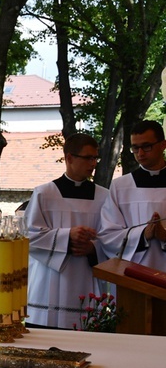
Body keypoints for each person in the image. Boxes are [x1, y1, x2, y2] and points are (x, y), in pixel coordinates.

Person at [25, 133, 109, 329]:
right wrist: (67, 235)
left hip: (86, 277)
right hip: (48, 285)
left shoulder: (104, 196)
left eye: (95, 157)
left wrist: (92, 248)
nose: (93, 163)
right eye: (88, 157)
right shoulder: (44, 193)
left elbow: (112, 237)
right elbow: (29, 236)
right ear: (69, 158)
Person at [100, 120, 166, 267]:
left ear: (163, 145)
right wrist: (143, 235)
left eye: (146, 146)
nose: (140, 153)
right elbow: (108, 235)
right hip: (133, 272)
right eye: (135, 148)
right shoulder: (120, 186)